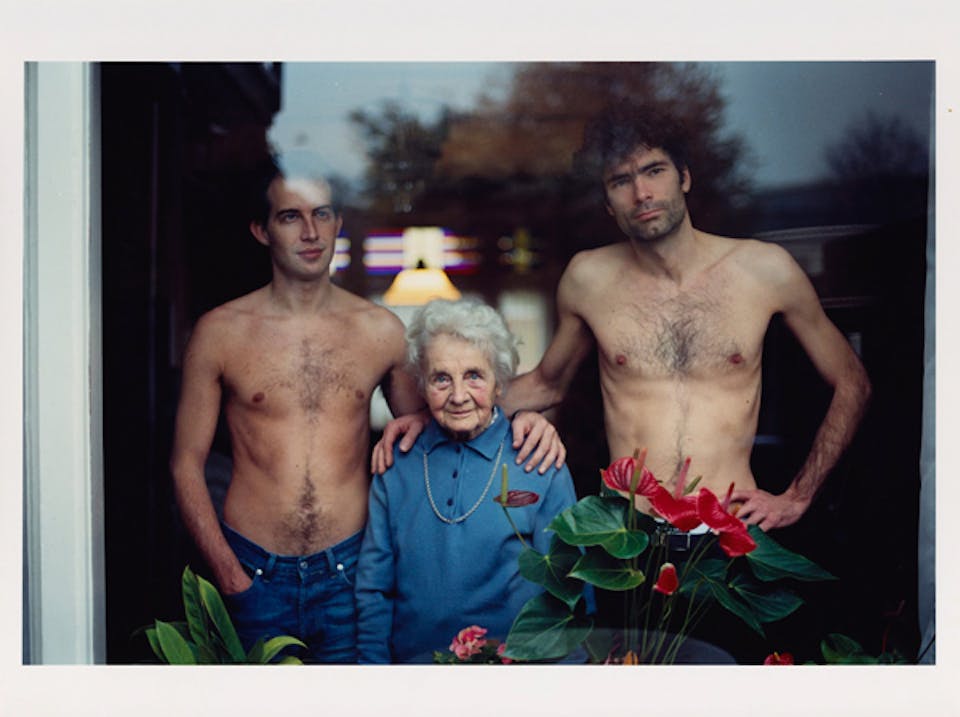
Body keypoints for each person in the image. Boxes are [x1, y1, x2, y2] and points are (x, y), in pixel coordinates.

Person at [375, 103, 871, 535]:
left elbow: (853, 383)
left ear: (684, 177)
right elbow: (547, 384)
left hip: (730, 530)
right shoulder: (589, 278)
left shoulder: (764, 270)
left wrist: (797, 496)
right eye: (621, 180)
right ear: (608, 202)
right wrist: (437, 413)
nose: (641, 193)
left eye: (654, 171)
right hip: (627, 538)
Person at [169, 155, 565, 663]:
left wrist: (522, 423)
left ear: (338, 222)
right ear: (261, 230)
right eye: (290, 216)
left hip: (349, 576)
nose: (310, 231)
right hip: (253, 572)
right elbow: (185, 465)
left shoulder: (380, 331)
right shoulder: (219, 333)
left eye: (323, 214)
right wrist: (230, 576)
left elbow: (441, 420)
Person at [355, 299, 581, 664]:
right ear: (422, 385)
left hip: (513, 674)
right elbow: (373, 589)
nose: (458, 397)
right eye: (441, 379)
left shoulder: (539, 458)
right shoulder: (397, 461)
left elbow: (570, 590)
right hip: (414, 673)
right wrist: (374, 676)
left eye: (474, 375)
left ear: (499, 382)